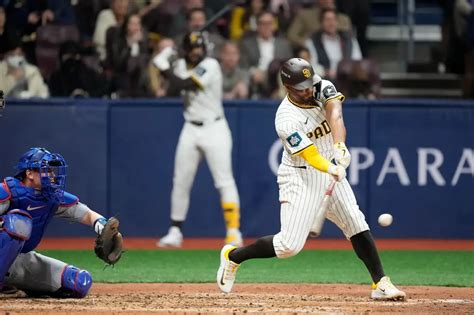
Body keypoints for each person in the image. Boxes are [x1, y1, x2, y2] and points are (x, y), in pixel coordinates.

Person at [216, 58, 407, 301]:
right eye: (302, 87)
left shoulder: (321, 86)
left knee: (355, 222)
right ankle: (233, 256)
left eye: (309, 83)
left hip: (330, 167)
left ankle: (380, 282)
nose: (308, 90)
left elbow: (335, 113)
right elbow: (309, 153)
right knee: (289, 246)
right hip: (300, 175)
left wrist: (339, 146)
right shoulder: (285, 119)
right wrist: (330, 167)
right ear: (288, 87)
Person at [153, 32, 243, 248]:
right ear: (185, 50)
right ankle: (175, 231)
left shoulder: (211, 64)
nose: (197, 51)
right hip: (190, 127)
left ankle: (233, 231)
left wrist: (162, 64)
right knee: (181, 181)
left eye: (199, 47)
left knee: (224, 180)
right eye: (193, 47)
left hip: (215, 127)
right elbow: (173, 86)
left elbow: (186, 84)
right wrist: (165, 57)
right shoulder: (181, 64)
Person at [0, 147, 122, 297]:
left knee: (79, 282)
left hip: (18, 260)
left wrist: (105, 229)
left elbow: (87, 214)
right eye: (46, 170)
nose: (51, 175)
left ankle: (15, 285)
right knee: (18, 222)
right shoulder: (8, 192)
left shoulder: (51, 197)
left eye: (52, 170)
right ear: (29, 173)